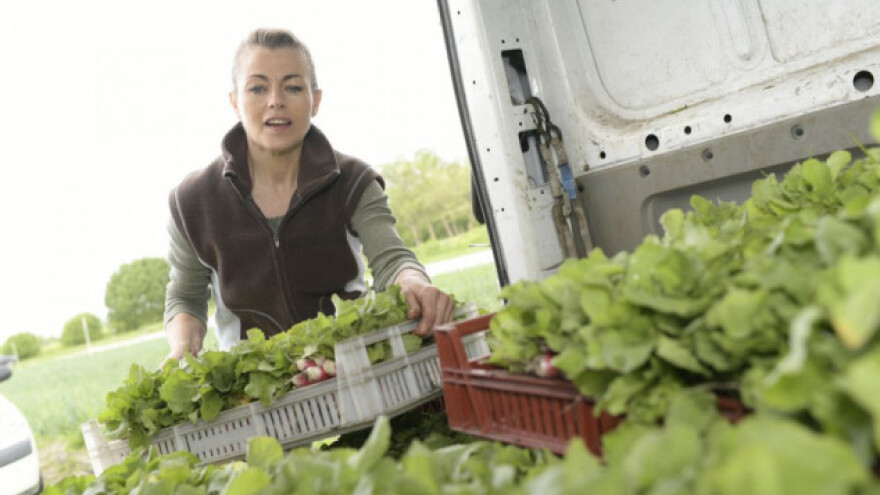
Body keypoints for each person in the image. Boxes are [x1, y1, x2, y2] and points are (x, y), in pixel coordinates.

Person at [163, 28, 455, 361]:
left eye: (293, 87)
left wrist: (413, 282)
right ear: (235, 102)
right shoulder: (192, 202)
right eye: (258, 88)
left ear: (315, 101)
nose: (276, 100)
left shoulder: (353, 180)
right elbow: (185, 298)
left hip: (352, 364)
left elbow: (392, 260)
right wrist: (183, 345)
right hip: (252, 387)